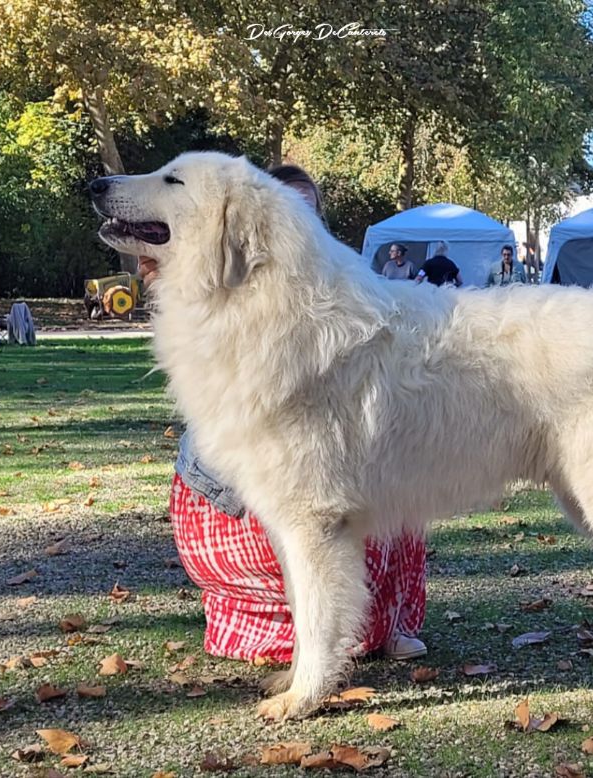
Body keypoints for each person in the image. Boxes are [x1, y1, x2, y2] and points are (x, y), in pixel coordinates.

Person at [162, 164, 429, 663]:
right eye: (282, 208)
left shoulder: (337, 298)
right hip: (226, 504)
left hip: (314, 498)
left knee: (387, 497)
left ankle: (345, 639)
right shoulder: (213, 288)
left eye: (304, 212)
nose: (292, 219)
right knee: (325, 514)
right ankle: (318, 648)